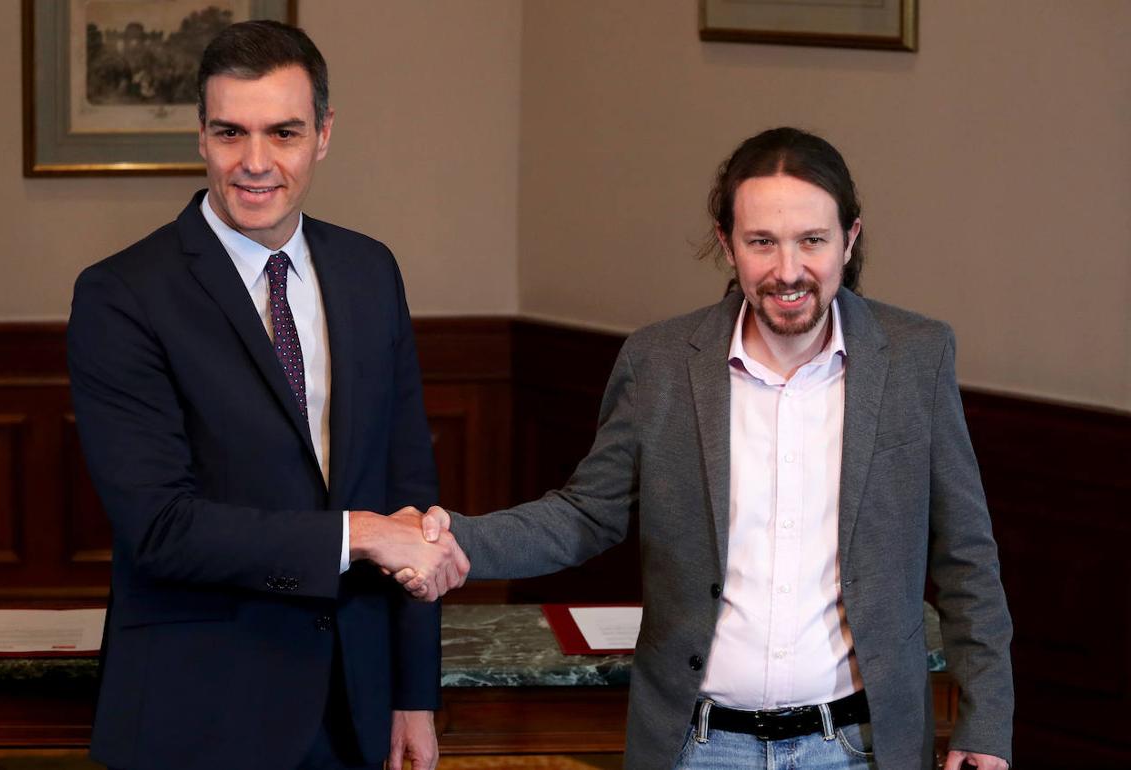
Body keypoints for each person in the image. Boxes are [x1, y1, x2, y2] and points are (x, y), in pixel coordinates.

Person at [405, 127, 1013, 769]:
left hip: (859, 747)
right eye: (762, 242)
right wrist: (453, 539)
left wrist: (986, 723)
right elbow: (585, 515)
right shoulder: (659, 362)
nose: (788, 271)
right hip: (698, 748)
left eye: (812, 240)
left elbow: (966, 555)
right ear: (727, 244)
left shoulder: (917, 357)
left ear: (849, 238)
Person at [68, 20, 467, 770]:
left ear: (323, 134)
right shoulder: (122, 294)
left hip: (355, 703)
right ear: (200, 134)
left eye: (283, 132)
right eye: (231, 133)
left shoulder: (369, 271)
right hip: (200, 710)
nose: (255, 163)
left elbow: (410, 493)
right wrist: (358, 534)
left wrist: (413, 693)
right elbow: (160, 528)